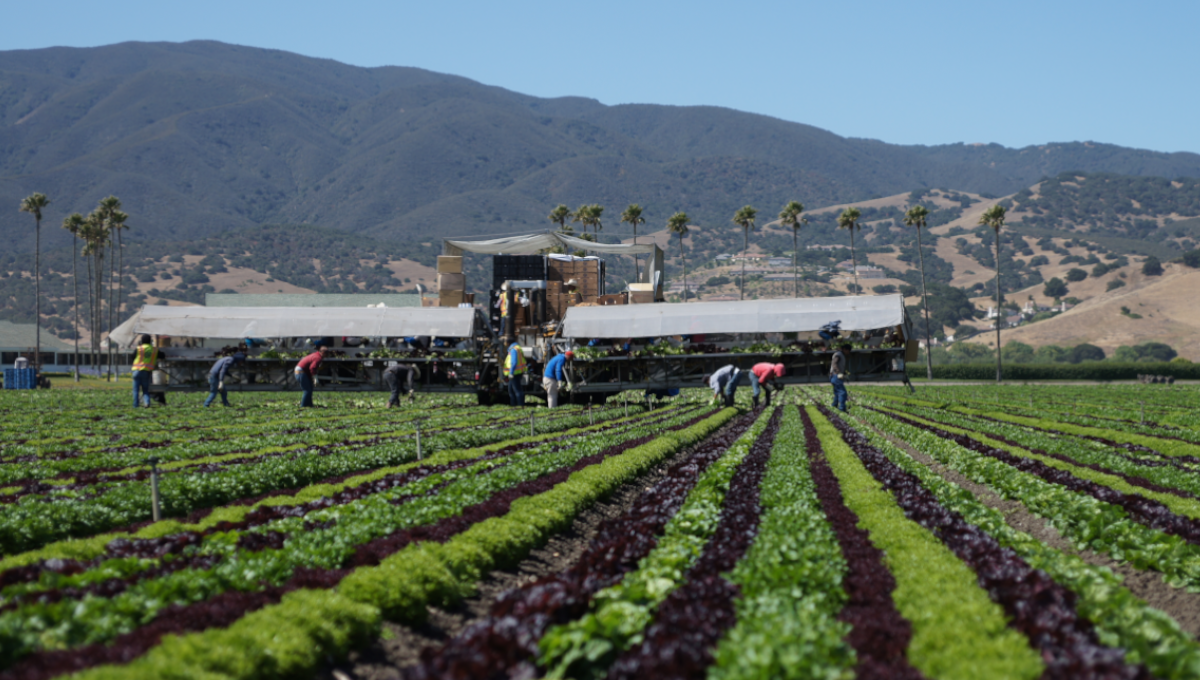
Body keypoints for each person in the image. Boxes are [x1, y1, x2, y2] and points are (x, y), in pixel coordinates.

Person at [131, 335, 158, 408]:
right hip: (146, 372)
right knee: (145, 390)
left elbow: (132, 356)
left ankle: (135, 405)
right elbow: (162, 355)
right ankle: (147, 403)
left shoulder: (139, 348)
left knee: (136, 390)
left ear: (142, 341)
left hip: (136, 371)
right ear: (150, 341)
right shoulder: (154, 350)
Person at [503, 341, 527, 406]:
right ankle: (514, 405)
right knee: (511, 390)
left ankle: (520, 405)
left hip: (515, 373)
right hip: (517, 372)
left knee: (517, 390)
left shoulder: (513, 350)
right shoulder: (518, 348)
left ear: (509, 343)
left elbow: (514, 362)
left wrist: (511, 373)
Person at [830, 343, 850, 412]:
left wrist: (844, 373)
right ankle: (842, 408)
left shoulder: (840, 354)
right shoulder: (838, 354)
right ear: (845, 349)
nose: (848, 352)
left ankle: (834, 405)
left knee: (836, 392)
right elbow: (834, 363)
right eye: (848, 351)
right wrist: (838, 372)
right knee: (842, 392)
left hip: (833, 375)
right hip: (836, 376)